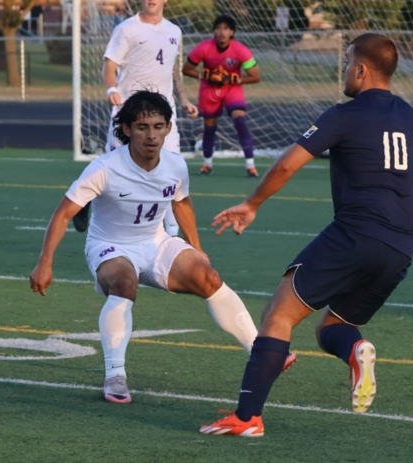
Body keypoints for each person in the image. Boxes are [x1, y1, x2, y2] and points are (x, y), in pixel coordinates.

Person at [200, 33, 413, 437]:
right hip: (400, 249)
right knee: (331, 326)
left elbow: (287, 165)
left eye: (347, 61)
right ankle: (355, 350)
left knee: (278, 314)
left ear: (361, 69)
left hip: (354, 235)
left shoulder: (342, 115)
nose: (344, 69)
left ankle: (246, 418)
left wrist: (252, 204)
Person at [30, 91, 295, 404]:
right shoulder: (103, 168)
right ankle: (115, 376)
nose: (151, 135)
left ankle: (261, 350)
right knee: (124, 283)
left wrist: (196, 247)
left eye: (158, 126)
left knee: (208, 277)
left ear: (169, 128)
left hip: (156, 243)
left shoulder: (175, 165)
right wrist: (44, 262)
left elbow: (180, 201)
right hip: (110, 246)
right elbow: (63, 214)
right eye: (142, 127)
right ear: (126, 129)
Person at [73, 0, 199, 237]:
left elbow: (172, 70)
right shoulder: (126, 28)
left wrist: (183, 100)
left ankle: (171, 235)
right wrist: (111, 89)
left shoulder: (174, 31)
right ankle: (83, 200)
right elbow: (109, 64)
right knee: (113, 165)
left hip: (162, 114)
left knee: (171, 169)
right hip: (129, 110)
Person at [182, 15, 261, 177]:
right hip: (209, 90)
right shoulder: (204, 48)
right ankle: (207, 164)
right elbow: (186, 69)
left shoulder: (240, 50)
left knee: (240, 121)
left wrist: (234, 78)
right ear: (214, 31)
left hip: (232, 89)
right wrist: (205, 75)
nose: (222, 32)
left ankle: (250, 165)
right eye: (219, 28)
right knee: (209, 128)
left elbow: (255, 76)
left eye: (226, 28)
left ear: (232, 32)